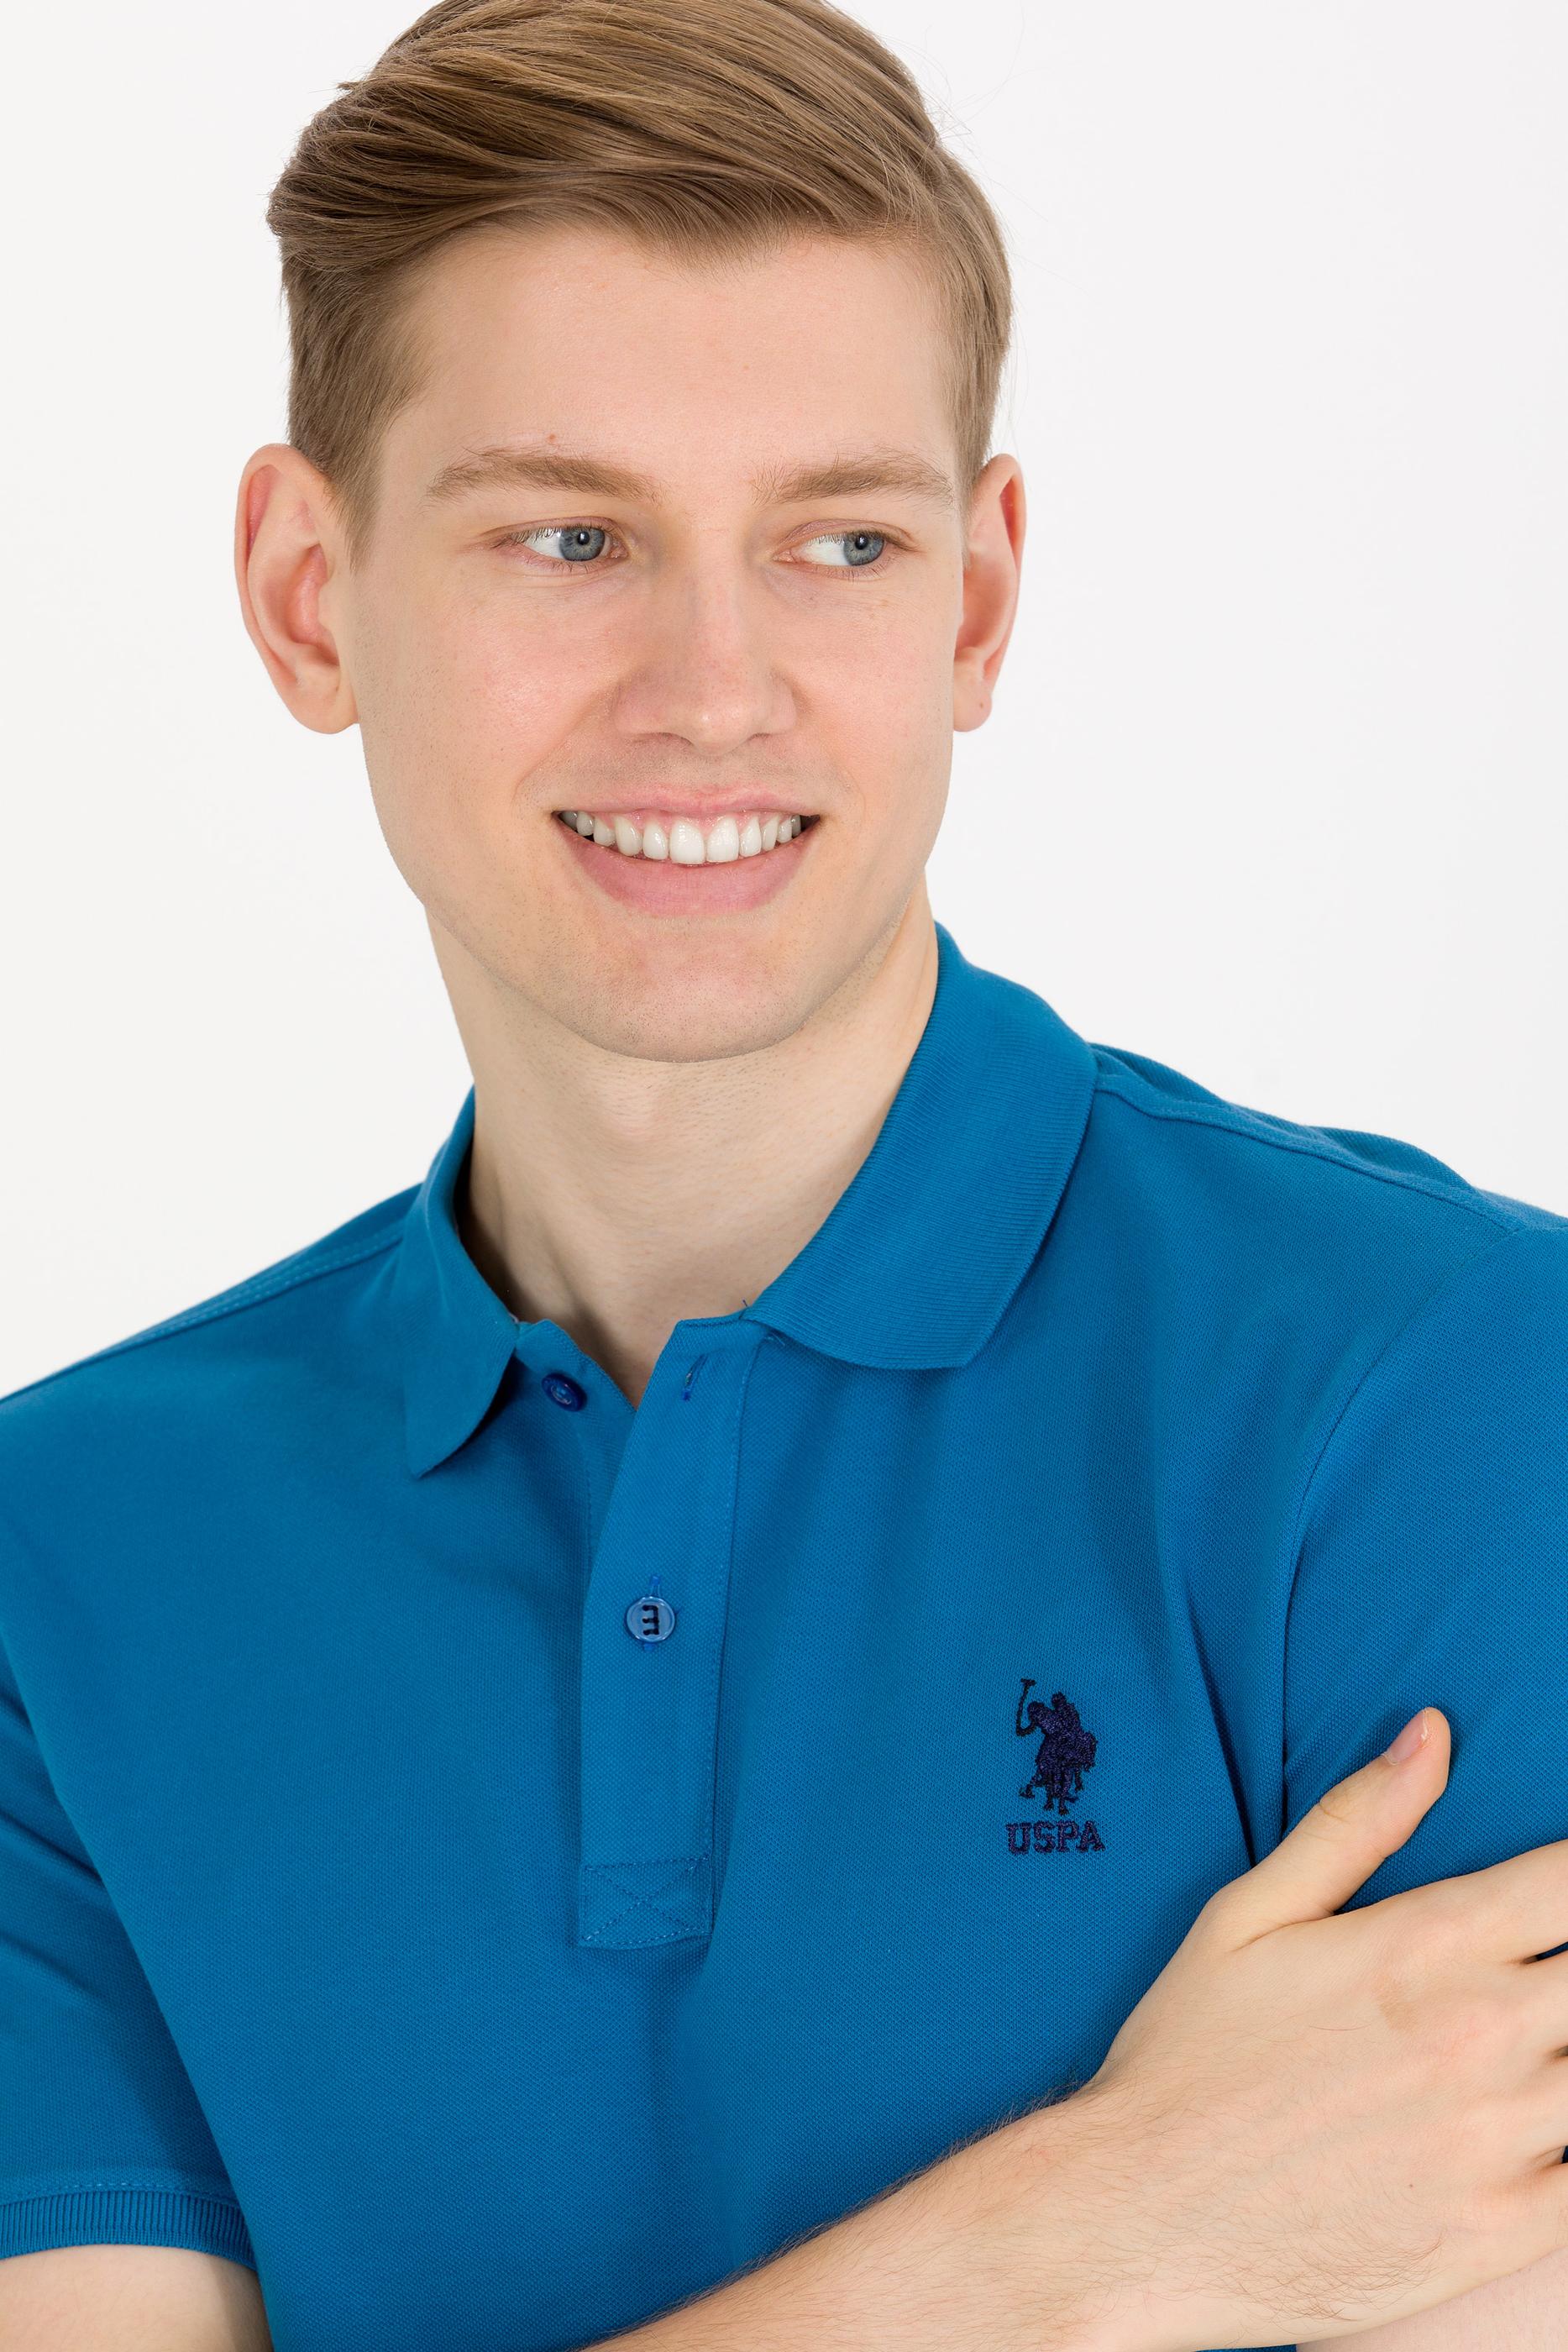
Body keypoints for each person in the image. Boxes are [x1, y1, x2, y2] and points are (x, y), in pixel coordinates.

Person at [3, 3, 1566, 2348]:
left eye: (839, 540)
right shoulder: (62, 1561)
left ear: (977, 599)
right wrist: (1098, 2236)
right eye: (569, 538)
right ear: (310, 592)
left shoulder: (1449, 1402)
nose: (712, 687)